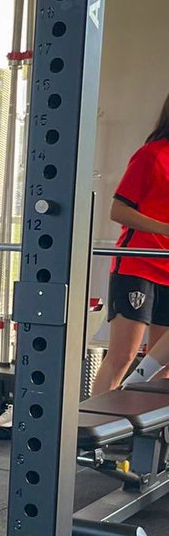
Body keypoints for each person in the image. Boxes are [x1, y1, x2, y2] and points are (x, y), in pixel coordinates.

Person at [92, 93, 169, 394]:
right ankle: (91, 432)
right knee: (123, 356)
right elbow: (118, 210)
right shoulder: (151, 155)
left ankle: (147, 434)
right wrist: (164, 229)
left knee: (162, 364)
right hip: (139, 266)